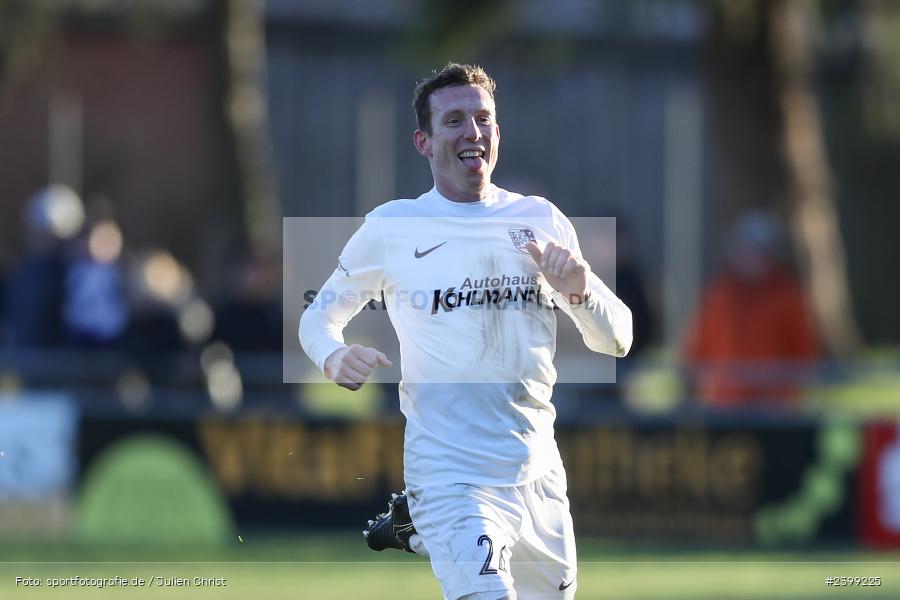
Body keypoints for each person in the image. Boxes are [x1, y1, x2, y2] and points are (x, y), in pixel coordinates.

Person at [299, 63, 632, 600]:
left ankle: (421, 530)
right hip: (451, 472)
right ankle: (433, 517)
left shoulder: (541, 220)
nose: (472, 132)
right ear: (424, 142)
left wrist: (580, 292)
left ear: (497, 134)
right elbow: (318, 317)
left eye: (483, 120)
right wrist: (333, 356)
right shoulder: (393, 227)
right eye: (454, 121)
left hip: (539, 474)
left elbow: (617, 339)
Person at [682, 209, 819, 407]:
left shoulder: (788, 296)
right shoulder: (719, 295)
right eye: (746, 249)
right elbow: (698, 347)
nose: (752, 258)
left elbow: (803, 351)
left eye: (760, 252)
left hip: (774, 407)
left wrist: (787, 391)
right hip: (725, 404)